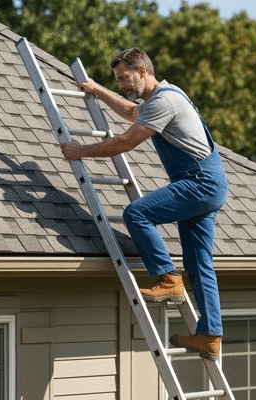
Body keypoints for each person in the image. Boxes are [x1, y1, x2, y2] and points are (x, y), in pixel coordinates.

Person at [61, 48, 228, 361]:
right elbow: (131, 114)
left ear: (141, 70)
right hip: (209, 183)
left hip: (198, 181)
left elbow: (126, 141)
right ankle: (210, 336)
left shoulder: (164, 101)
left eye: (125, 77)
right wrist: (99, 91)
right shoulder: (161, 100)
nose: (123, 84)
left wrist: (79, 150)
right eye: (118, 80)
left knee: (136, 213)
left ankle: (167, 277)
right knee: (199, 264)